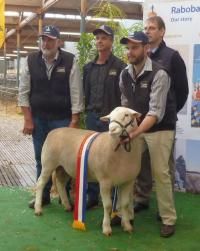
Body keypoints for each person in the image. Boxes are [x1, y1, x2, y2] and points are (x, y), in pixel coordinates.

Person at [118, 31, 177, 237]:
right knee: (126, 169)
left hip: (160, 128)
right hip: (137, 128)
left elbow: (155, 114)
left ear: (146, 48)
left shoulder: (160, 73)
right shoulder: (124, 74)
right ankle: (124, 212)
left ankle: (168, 219)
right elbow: (125, 106)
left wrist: (133, 135)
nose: (130, 52)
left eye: (135, 47)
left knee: (160, 173)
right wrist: (125, 128)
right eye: (128, 48)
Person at [18, 25, 83, 209]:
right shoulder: (30, 60)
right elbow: (23, 91)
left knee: (67, 159)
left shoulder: (70, 61)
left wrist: (74, 120)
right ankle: (44, 194)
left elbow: (76, 92)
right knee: (42, 158)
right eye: (43, 39)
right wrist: (28, 119)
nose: (46, 43)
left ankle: (64, 196)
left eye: (50, 40)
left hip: (62, 121)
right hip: (38, 119)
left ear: (58, 42)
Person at [133, 16, 189, 213]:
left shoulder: (172, 57)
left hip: (163, 125)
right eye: (145, 28)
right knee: (141, 166)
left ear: (162, 31)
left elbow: (182, 91)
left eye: (152, 28)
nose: (148, 31)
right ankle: (141, 198)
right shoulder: (141, 55)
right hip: (141, 124)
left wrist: (168, 110)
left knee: (163, 170)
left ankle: (164, 210)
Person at [83, 25, 126, 209]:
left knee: (113, 158)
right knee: (91, 158)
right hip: (92, 118)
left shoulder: (121, 67)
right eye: (97, 38)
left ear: (111, 41)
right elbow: (86, 92)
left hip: (111, 122)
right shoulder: (88, 68)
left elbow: (123, 96)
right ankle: (92, 196)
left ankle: (114, 200)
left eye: (104, 37)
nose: (100, 40)